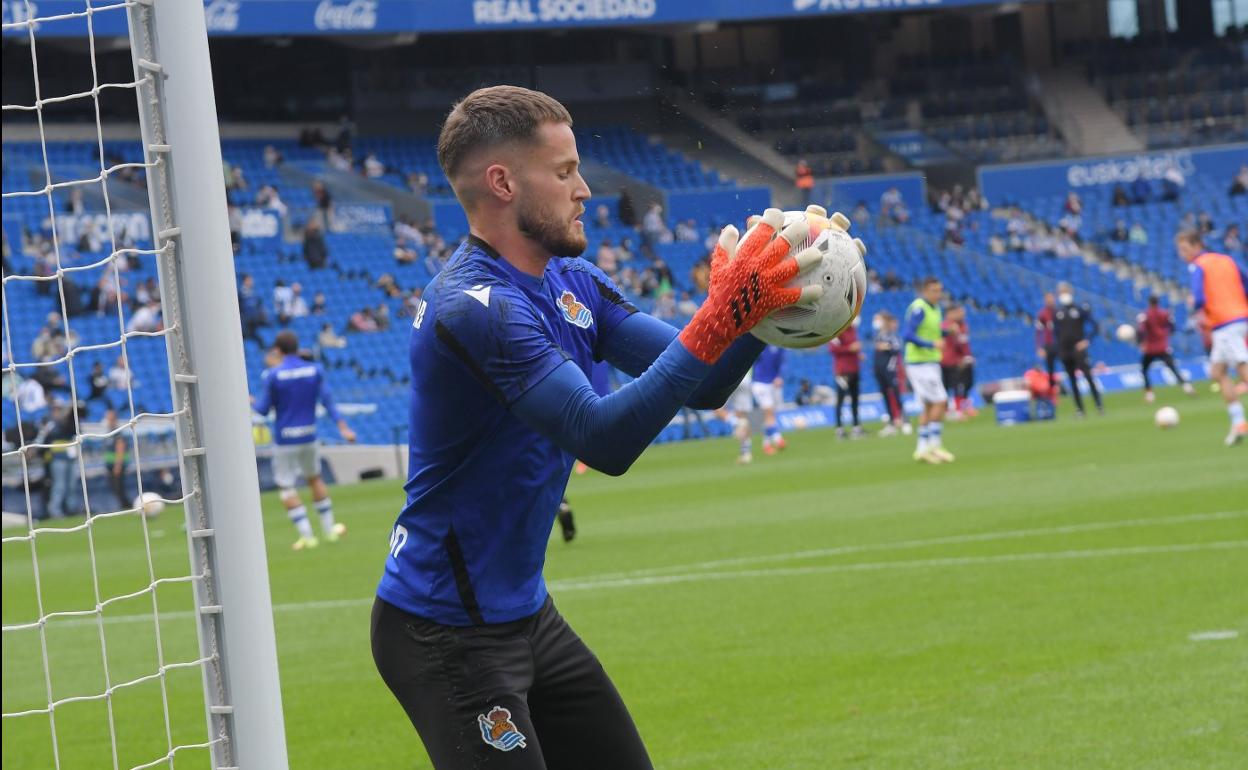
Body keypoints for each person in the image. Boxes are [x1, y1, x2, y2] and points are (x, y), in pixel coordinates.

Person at [369, 86, 829, 770]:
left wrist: (764, 314)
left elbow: (702, 386)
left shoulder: (572, 280)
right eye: (563, 172)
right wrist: (720, 316)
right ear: (502, 182)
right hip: (445, 634)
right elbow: (602, 438)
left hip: (527, 617)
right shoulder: (474, 307)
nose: (584, 189)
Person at [252, 330, 357, 550]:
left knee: (287, 487)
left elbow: (262, 410)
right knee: (315, 478)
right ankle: (329, 532)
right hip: (309, 434)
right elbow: (328, 401)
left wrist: (249, 399)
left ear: (278, 350)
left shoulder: (274, 375)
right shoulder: (314, 370)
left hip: (285, 439)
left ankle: (308, 537)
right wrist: (343, 427)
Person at [1177, 230, 1248, 446]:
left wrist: (1193, 305)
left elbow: (1199, 298)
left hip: (1224, 322)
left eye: (1185, 249)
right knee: (1217, 372)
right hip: (1238, 317)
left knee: (1242, 366)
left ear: (1197, 245)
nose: (1183, 254)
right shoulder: (1227, 259)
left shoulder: (1198, 265)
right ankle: (1239, 423)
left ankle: (1239, 422)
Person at [902, 277, 954, 463]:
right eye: (933, 290)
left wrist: (947, 333)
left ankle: (922, 449)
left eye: (939, 290)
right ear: (925, 291)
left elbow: (932, 332)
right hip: (920, 363)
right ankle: (934, 444)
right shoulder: (919, 309)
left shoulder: (936, 308)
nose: (937, 294)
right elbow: (907, 335)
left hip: (930, 362)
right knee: (941, 401)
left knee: (929, 405)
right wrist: (931, 344)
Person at [1053, 281, 1104, 417]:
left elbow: (1095, 326)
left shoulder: (1079, 309)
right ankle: (1079, 409)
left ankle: (1099, 406)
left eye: (1065, 291)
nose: (1063, 294)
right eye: (1061, 292)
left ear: (1071, 292)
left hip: (1079, 350)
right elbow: (1056, 333)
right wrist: (1059, 348)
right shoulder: (1057, 312)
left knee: (1088, 377)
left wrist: (1086, 340)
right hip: (1065, 351)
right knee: (1072, 380)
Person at [1137, 296, 1194, 403]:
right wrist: (1166, 333)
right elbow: (1172, 327)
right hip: (1163, 346)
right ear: (1158, 302)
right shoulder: (1164, 313)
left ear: (1149, 302)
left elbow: (1141, 330)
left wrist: (1140, 342)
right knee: (1173, 368)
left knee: (1144, 369)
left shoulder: (1145, 315)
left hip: (1150, 348)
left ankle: (1149, 394)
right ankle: (1187, 387)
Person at [828, 318, 864, 438]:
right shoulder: (837, 331)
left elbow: (854, 346)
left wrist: (858, 354)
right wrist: (850, 348)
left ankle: (856, 426)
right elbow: (832, 349)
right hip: (842, 371)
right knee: (840, 400)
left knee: (855, 399)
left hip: (854, 369)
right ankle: (839, 428)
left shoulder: (853, 329)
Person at [871, 311, 905, 436]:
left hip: (890, 369)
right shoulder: (879, 335)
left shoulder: (891, 335)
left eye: (878, 319)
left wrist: (887, 346)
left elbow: (897, 348)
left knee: (896, 393)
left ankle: (904, 419)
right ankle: (891, 422)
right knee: (885, 394)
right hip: (880, 370)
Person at [940, 304, 975, 418]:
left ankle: (962, 407)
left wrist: (967, 357)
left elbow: (964, 344)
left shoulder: (963, 325)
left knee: (964, 384)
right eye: (959, 312)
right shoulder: (945, 326)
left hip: (959, 360)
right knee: (949, 386)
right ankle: (949, 410)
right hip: (947, 361)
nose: (962, 314)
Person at [751, 344, 787, 454]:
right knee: (769, 411)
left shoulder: (781, 344)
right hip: (760, 383)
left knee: (770, 416)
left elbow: (783, 362)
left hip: (773, 384)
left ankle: (766, 445)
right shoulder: (761, 342)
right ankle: (777, 438)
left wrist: (780, 376)